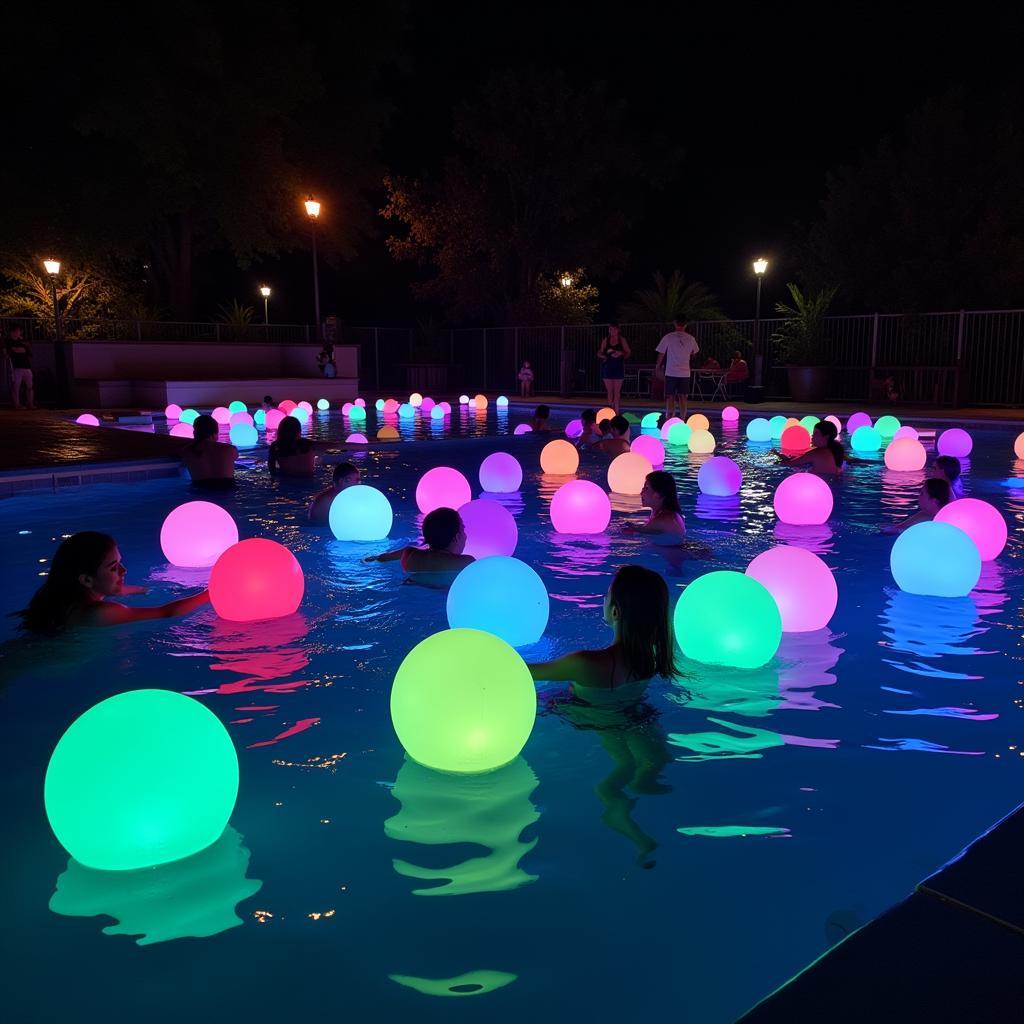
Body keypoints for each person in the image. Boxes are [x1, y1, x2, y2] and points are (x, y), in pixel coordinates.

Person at [18, 532, 209, 632]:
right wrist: (211, 592)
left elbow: (115, 589)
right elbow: (167, 613)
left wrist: (139, 590)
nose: (124, 571)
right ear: (86, 580)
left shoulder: (57, 599)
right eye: (113, 567)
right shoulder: (100, 613)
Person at [364, 507, 474, 574]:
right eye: (463, 529)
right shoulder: (465, 563)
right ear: (457, 537)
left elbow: (379, 558)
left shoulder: (409, 554)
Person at [622, 471, 686, 544]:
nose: (641, 493)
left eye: (646, 488)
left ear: (658, 494)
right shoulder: (666, 514)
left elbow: (636, 534)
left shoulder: (664, 519)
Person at [655, 318, 699, 422]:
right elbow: (694, 352)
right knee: (683, 397)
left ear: (675, 324)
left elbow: (661, 353)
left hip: (671, 371)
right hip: (684, 372)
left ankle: (670, 418)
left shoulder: (668, 337)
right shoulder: (691, 339)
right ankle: (682, 419)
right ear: (686, 325)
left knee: (670, 396)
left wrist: (657, 366)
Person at [181, 414, 237, 489]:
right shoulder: (230, 449)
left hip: (201, 489)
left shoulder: (187, 451)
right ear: (215, 434)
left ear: (194, 433)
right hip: (227, 488)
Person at [882, 478, 952, 534]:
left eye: (922, 494)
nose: (919, 496)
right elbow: (899, 527)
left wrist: (897, 531)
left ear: (934, 500)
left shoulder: (938, 522)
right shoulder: (925, 513)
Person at [779, 420, 845, 476]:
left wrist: (779, 457)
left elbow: (789, 464)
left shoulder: (816, 453)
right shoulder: (837, 449)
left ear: (826, 437)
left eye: (816, 433)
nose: (812, 436)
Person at [597, 323, 631, 413]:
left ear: (618, 330)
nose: (612, 331)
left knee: (617, 392)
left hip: (618, 367)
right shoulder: (606, 340)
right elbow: (599, 352)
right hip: (608, 367)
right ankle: (610, 411)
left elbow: (628, 352)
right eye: (610, 329)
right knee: (609, 391)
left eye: (614, 329)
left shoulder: (621, 340)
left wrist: (621, 353)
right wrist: (604, 357)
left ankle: (617, 411)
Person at [5, 326, 34, 410]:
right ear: (12, 332)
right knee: (16, 386)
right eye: (18, 331)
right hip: (16, 367)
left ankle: (30, 403)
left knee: (30, 386)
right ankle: (17, 404)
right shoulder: (9, 342)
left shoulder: (22, 342)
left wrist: (20, 349)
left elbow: (28, 352)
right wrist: (19, 350)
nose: (19, 333)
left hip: (26, 367)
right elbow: (12, 351)